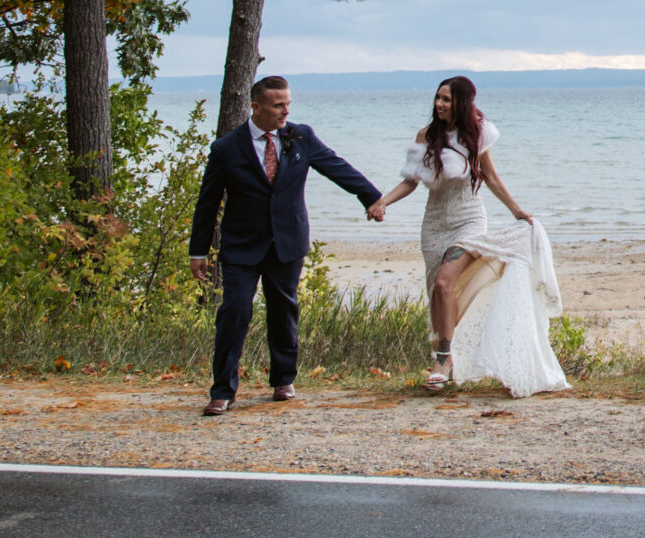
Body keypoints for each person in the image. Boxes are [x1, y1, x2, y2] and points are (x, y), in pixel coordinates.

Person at [188, 74, 385, 416]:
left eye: (288, 104)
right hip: (241, 245)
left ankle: (283, 379)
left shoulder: (300, 136)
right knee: (234, 311)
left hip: (287, 240)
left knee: (284, 309)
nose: (285, 111)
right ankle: (222, 391)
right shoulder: (226, 148)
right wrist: (198, 250)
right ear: (256, 107)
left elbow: (335, 166)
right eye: (278, 105)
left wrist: (372, 197)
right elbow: (208, 202)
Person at [370, 75, 567, 396]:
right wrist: (382, 202)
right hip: (433, 224)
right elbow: (410, 181)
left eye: (446, 99)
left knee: (447, 282)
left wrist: (516, 210)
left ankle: (443, 361)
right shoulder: (425, 136)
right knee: (438, 291)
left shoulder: (476, 135)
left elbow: (489, 176)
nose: (439, 104)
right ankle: (446, 353)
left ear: (462, 103)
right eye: (437, 98)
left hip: (469, 220)